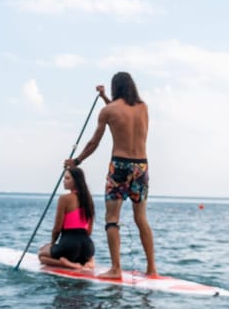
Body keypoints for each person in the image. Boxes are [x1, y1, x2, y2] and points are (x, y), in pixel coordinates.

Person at [64, 71, 158, 279]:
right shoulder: (143, 108)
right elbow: (123, 117)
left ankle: (116, 269)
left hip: (120, 166)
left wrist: (76, 161)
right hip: (141, 167)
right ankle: (152, 269)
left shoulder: (108, 111)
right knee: (141, 218)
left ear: (115, 88)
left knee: (112, 218)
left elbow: (94, 143)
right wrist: (105, 98)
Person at [38, 167, 96, 270]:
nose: (64, 181)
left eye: (67, 178)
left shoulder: (64, 199)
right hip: (88, 246)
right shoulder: (89, 200)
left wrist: (52, 244)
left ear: (76, 181)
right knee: (83, 255)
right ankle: (89, 262)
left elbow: (57, 228)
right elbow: (89, 230)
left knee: (41, 256)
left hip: (69, 245)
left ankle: (66, 264)